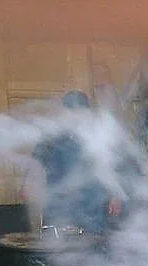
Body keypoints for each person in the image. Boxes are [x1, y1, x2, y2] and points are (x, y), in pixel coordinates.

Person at [32, 90, 121, 249]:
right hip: (59, 202)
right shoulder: (52, 136)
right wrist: (30, 185)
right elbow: (37, 162)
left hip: (92, 204)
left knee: (92, 244)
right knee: (58, 247)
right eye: (71, 111)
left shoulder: (97, 135)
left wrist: (115, 194)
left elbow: (109, 165)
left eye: (79, 111)